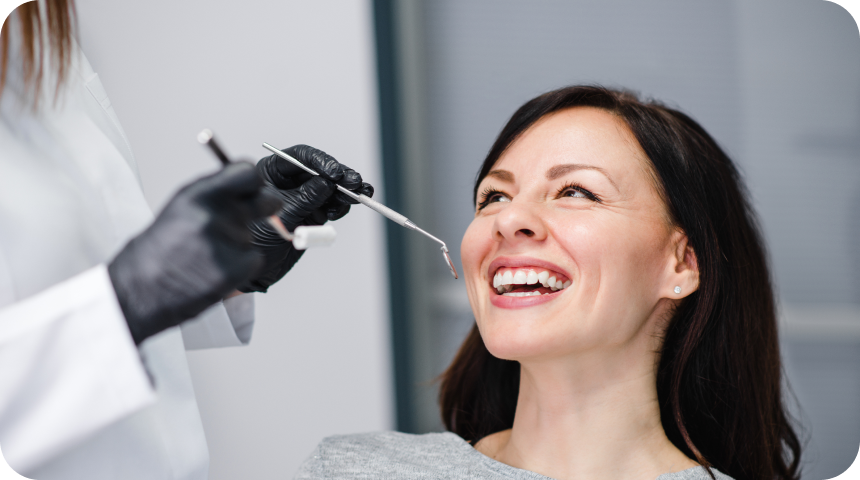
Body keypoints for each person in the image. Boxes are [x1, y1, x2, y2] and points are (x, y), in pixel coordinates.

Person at [295, 87, 803, 480]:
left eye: (576, 191)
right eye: (493, 197)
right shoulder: (351, 469)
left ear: (682, 263)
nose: (509, 218)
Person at [0, 2, 371, 478]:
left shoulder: (51, 43)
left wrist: (223, 272)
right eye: (489, 197)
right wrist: (129, 300)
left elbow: (71, 279)